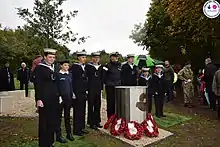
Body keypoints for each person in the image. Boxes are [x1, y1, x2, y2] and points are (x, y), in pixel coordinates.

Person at [34, 48, 59, 147]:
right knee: (44, 122)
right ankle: (43, 144)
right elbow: (38, 84)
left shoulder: (54, 67)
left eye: (53, 57)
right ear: (45, 57)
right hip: (44, 99)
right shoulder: (40, 68)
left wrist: (59, 95)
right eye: (50, 57)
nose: (52, 59)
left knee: (52, 120)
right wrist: (38, 99)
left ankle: (50, 142)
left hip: (54, 98)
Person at [70, 51, 89, 136]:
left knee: (82, 110)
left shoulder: (84, 67)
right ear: (78, 58)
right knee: (77, 111)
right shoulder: (75, 67)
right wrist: (73, 92)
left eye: (85, 57)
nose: (84, 59)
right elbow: (72, 80)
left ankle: (81, 127)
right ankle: (76, 130)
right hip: (77, 91)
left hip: (83, 91)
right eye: (82, 57)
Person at [56, 60, 74, 143]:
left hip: (68, 99)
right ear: (61, 66)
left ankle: (69, 133)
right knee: (58, 117)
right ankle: (58, 135)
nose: (67, 67)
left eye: (68, 65)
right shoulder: (57, 75)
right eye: (65, 65)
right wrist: (58, 96)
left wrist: (72, 94)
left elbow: (71, 86)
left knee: (67, 116)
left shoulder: (69, 75)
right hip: (60, 100)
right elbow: (55, 87)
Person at [86, 52, 103, 130]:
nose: (96, 59)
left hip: (98, 88)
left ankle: (97, 121)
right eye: (94, 57)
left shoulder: (101, 67)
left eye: (97, 58)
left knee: (98, 105)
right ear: (92, 58)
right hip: (91, 88)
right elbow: (85, 78)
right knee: (91, 105)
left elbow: (102, 78)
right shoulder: (88, 67)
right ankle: (91, 122)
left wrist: (102, 88)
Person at [102, 52, 121, 118]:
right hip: (110, 86)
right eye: (112, 57)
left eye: (115, 57)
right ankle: (110, 118)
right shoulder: (107, 65)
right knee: (110, 102)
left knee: (118, 102)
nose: (113, 58)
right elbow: (103, 76)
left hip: (118, 86)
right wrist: (106, 83)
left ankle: (117, 117)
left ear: (117, 58)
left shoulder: (119, 65)